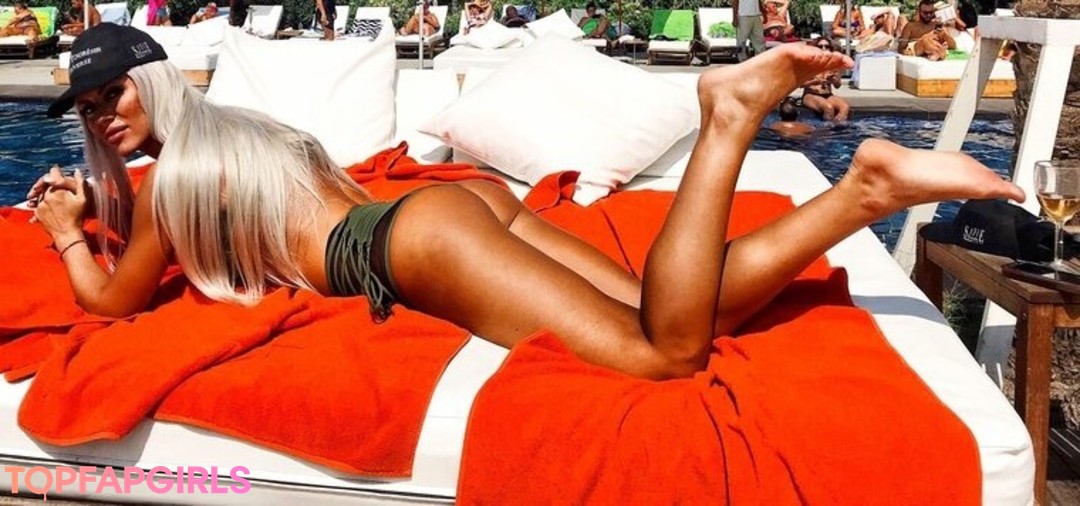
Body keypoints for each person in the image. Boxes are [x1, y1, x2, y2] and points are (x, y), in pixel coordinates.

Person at [30, 24, 1023, 380]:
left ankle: (726, 117)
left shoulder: (175, 186)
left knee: (664, 355)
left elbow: (111, 301)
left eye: (113, 94)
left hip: (412, 245)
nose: (102, 116)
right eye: (86, 107)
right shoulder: (237, 135)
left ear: (151, 84)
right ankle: (865, 188)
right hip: (443, 214)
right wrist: (103, 206)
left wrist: (70, 234)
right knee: (673, 307)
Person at [802, 38, 850, 121]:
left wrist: (833, 79)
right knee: (828, 108)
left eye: (827, 46)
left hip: (828, 95)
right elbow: (800, 85)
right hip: (811, 95)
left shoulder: (833, 65)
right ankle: (826, 128)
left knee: (845, 107)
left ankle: (839, 127)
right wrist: (815, 81)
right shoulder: (808, 64)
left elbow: (837, 85)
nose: (824, 48)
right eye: (820, 46)